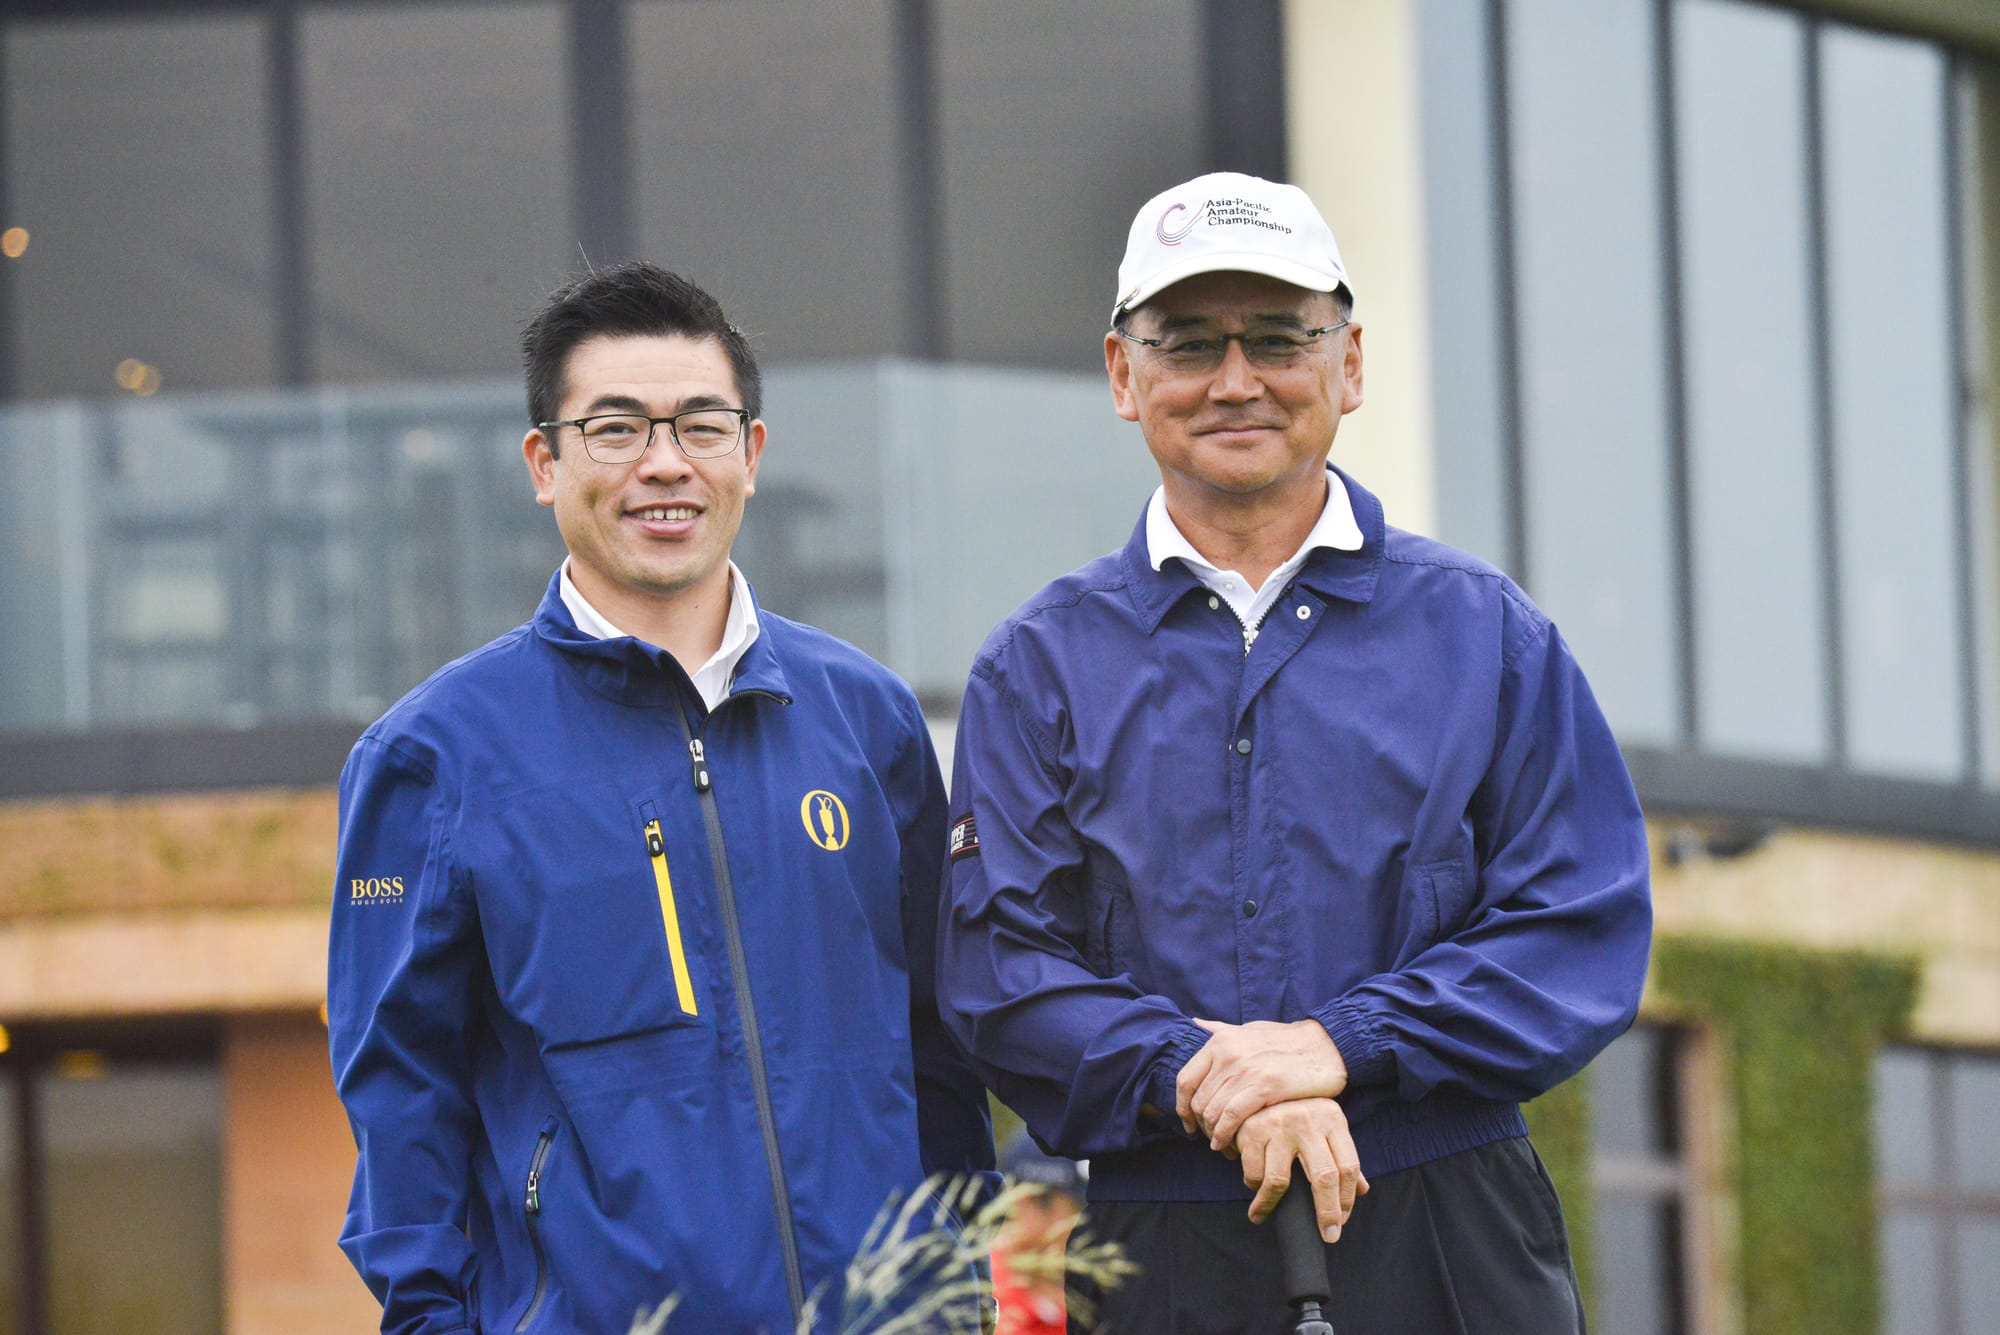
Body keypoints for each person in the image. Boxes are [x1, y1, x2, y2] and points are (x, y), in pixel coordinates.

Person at [936, 173, 1651, 1332]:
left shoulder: (1485, 634)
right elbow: (996, 977)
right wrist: (1203, 1079)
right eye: (1186, 343)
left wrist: (1335, 1047)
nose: (1234, 381)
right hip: (1157, 1244)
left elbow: (1579, 925)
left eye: (1276, 338)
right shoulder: (1037, 667)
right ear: (1124, 376)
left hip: (1445, 1229)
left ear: (1348, 365)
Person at [327, 262, 995, 1335]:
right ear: (544, 463)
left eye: (700, 426)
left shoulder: (865, 719)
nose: (664, 465)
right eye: (616, 430)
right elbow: (400, 1089)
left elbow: (938, 1050)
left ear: (752, 453)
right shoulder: (434, 756)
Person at [990, 1138, 1087, 1335]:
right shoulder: (986, 1302)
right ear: (1028, 1201)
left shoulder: (1081, 1297)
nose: (1088, 1221)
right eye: (1080, 1207)